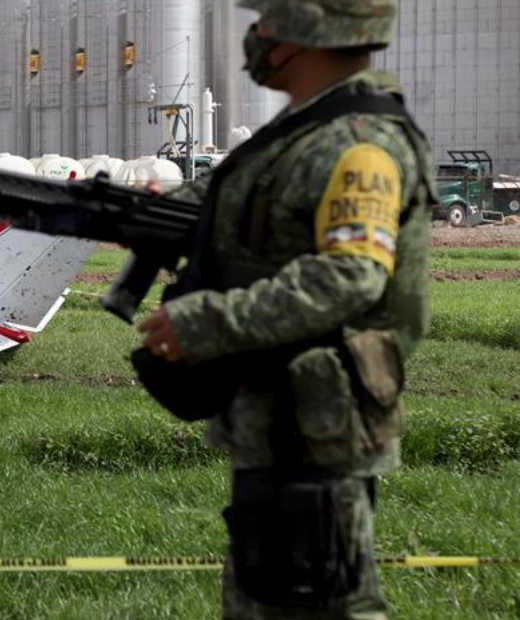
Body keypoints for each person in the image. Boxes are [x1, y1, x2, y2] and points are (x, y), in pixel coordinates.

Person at [134, 1, 437, 618]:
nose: (258, 33)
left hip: (319, 425)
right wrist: (137, 212)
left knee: (320, 601)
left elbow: (350, 276)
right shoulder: (300, 132)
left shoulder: (361, 145)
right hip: (278, 419)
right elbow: (237, 210)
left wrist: (208, 322)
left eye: (270, 18)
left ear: (308, 28)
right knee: (266, 596)